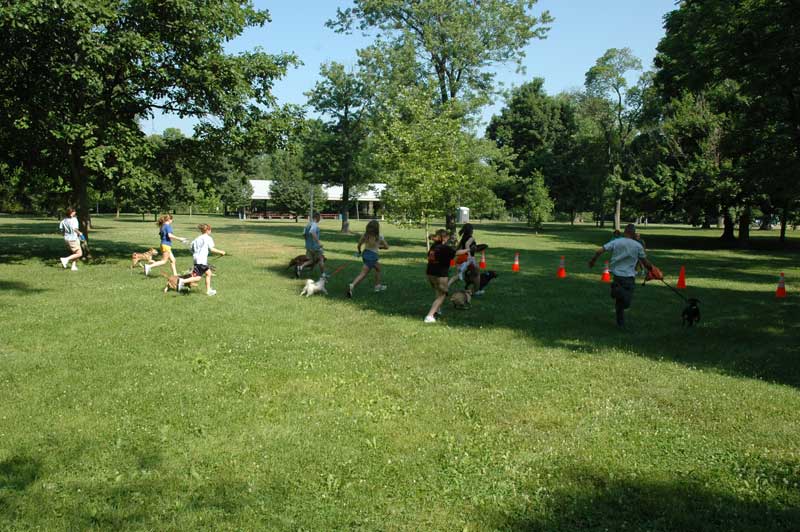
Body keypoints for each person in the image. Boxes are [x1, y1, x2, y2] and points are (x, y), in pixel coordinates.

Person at [589, 223, 661, 328]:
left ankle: (620, 323)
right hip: (628, 277)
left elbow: (600, 250)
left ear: (625, 232)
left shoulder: (616, 242)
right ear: (634, 233)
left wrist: (593, 260)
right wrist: (652, 270)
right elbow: (645, 262)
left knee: (620, 303)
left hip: (617, 275)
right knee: (626, 302)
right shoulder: (638, 246)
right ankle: (616, 290)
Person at [424, 229, 468, 324]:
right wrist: (468, 250)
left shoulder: (434, 246)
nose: (448, 238)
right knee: (443, 294)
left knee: (437, 290)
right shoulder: (444, 248)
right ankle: (429, 316)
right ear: (444, 238)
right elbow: (457, 253)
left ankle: (437, 309)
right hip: (440, 274)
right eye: (447, 237)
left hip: (430, 273)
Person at [178, 223, 225, 296]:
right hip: (201, 260)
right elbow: (211, 249)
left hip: (196, 259)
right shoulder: (208, 238)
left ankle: (209, 290)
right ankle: (182, 281)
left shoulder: (197, 238)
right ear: (208, 230)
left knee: (208, 273)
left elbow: (192, 248)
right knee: (198, 278)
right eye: (210, 229)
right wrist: (221, 252)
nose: (211, 231)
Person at [346, 220, 389, 298]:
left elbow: (359, 245)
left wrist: (359, 252)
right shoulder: (379, 236)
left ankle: (377, 286)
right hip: (372, 256)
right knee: (363, 273)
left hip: (365, 254)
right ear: (377, 228)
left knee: (378, 268)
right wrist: (379, 246)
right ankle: (352, 285)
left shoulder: (365, 235)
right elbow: (387, 247)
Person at [448, 223, 479, 288]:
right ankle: (476, 290)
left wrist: (453, 255)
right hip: (468, 258)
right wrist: (469, 255)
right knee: (476, 274)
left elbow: (458, 247)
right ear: (471, 230)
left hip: (460, 257)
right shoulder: (471, 238)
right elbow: (467, 244)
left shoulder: (463, 238)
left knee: (458, 276)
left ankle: (447, 285)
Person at [297, 211, 325, 278]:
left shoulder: (307, 225)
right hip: (315, 247)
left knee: (311, 260)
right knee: (321, 259)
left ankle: (301, 266)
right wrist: (319, 243)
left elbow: (303, 234)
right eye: (319, 218)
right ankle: (323, 275)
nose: (320, 219)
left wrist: (307, 242)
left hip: (308, 246)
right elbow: (312, 232)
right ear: (317, 217)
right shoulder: (314, 224)